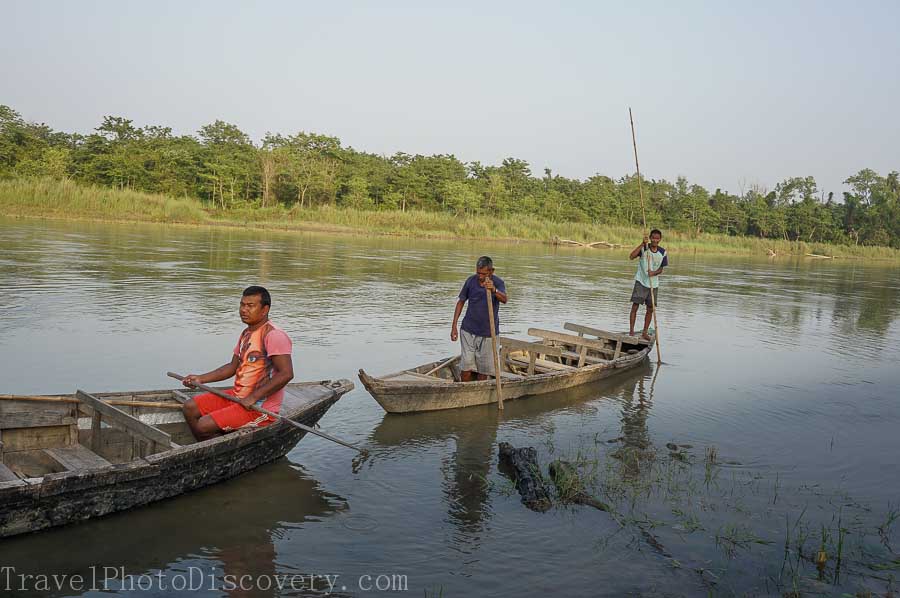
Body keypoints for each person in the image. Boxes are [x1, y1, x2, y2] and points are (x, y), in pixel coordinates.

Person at [181, 286, 294, 441]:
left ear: (265, 309)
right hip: (238, 396)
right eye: (242, 305)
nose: (244, 310)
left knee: (203, 425)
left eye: (250, 306)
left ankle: (217, 451)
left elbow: (286, 374)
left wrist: (254, 397)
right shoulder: (246, 333)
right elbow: (231, 367)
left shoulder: (273, 335)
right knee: (189, 407)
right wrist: (200, 378)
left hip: (259, 407)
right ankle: (212, 445)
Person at [450, 256, 508, 382]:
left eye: (483, 274)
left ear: (491, 271)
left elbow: (504, 299)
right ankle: (463, 391)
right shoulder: (471, 281)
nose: (480, 276)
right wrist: (454, 325)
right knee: (466, 367)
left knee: (484, 370)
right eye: (478, 273)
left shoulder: (498, 283)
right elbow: (461, 302)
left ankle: (479, 391)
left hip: (488, 333)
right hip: (468, 330)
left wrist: (493, 290)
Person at [628, 229, 668, 340]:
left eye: (657, 238)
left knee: (650, 309)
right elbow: (631, 256)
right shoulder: (644, 249)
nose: (655, 240)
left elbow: (661, 269)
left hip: (653, 285)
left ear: (660, 239)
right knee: (635, 306)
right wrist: (642, 244)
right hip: (641, 282)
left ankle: (644, 332)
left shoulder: (662, 252)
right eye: (653, 238)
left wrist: (653, 273)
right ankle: (631, 331)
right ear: (650, 238)